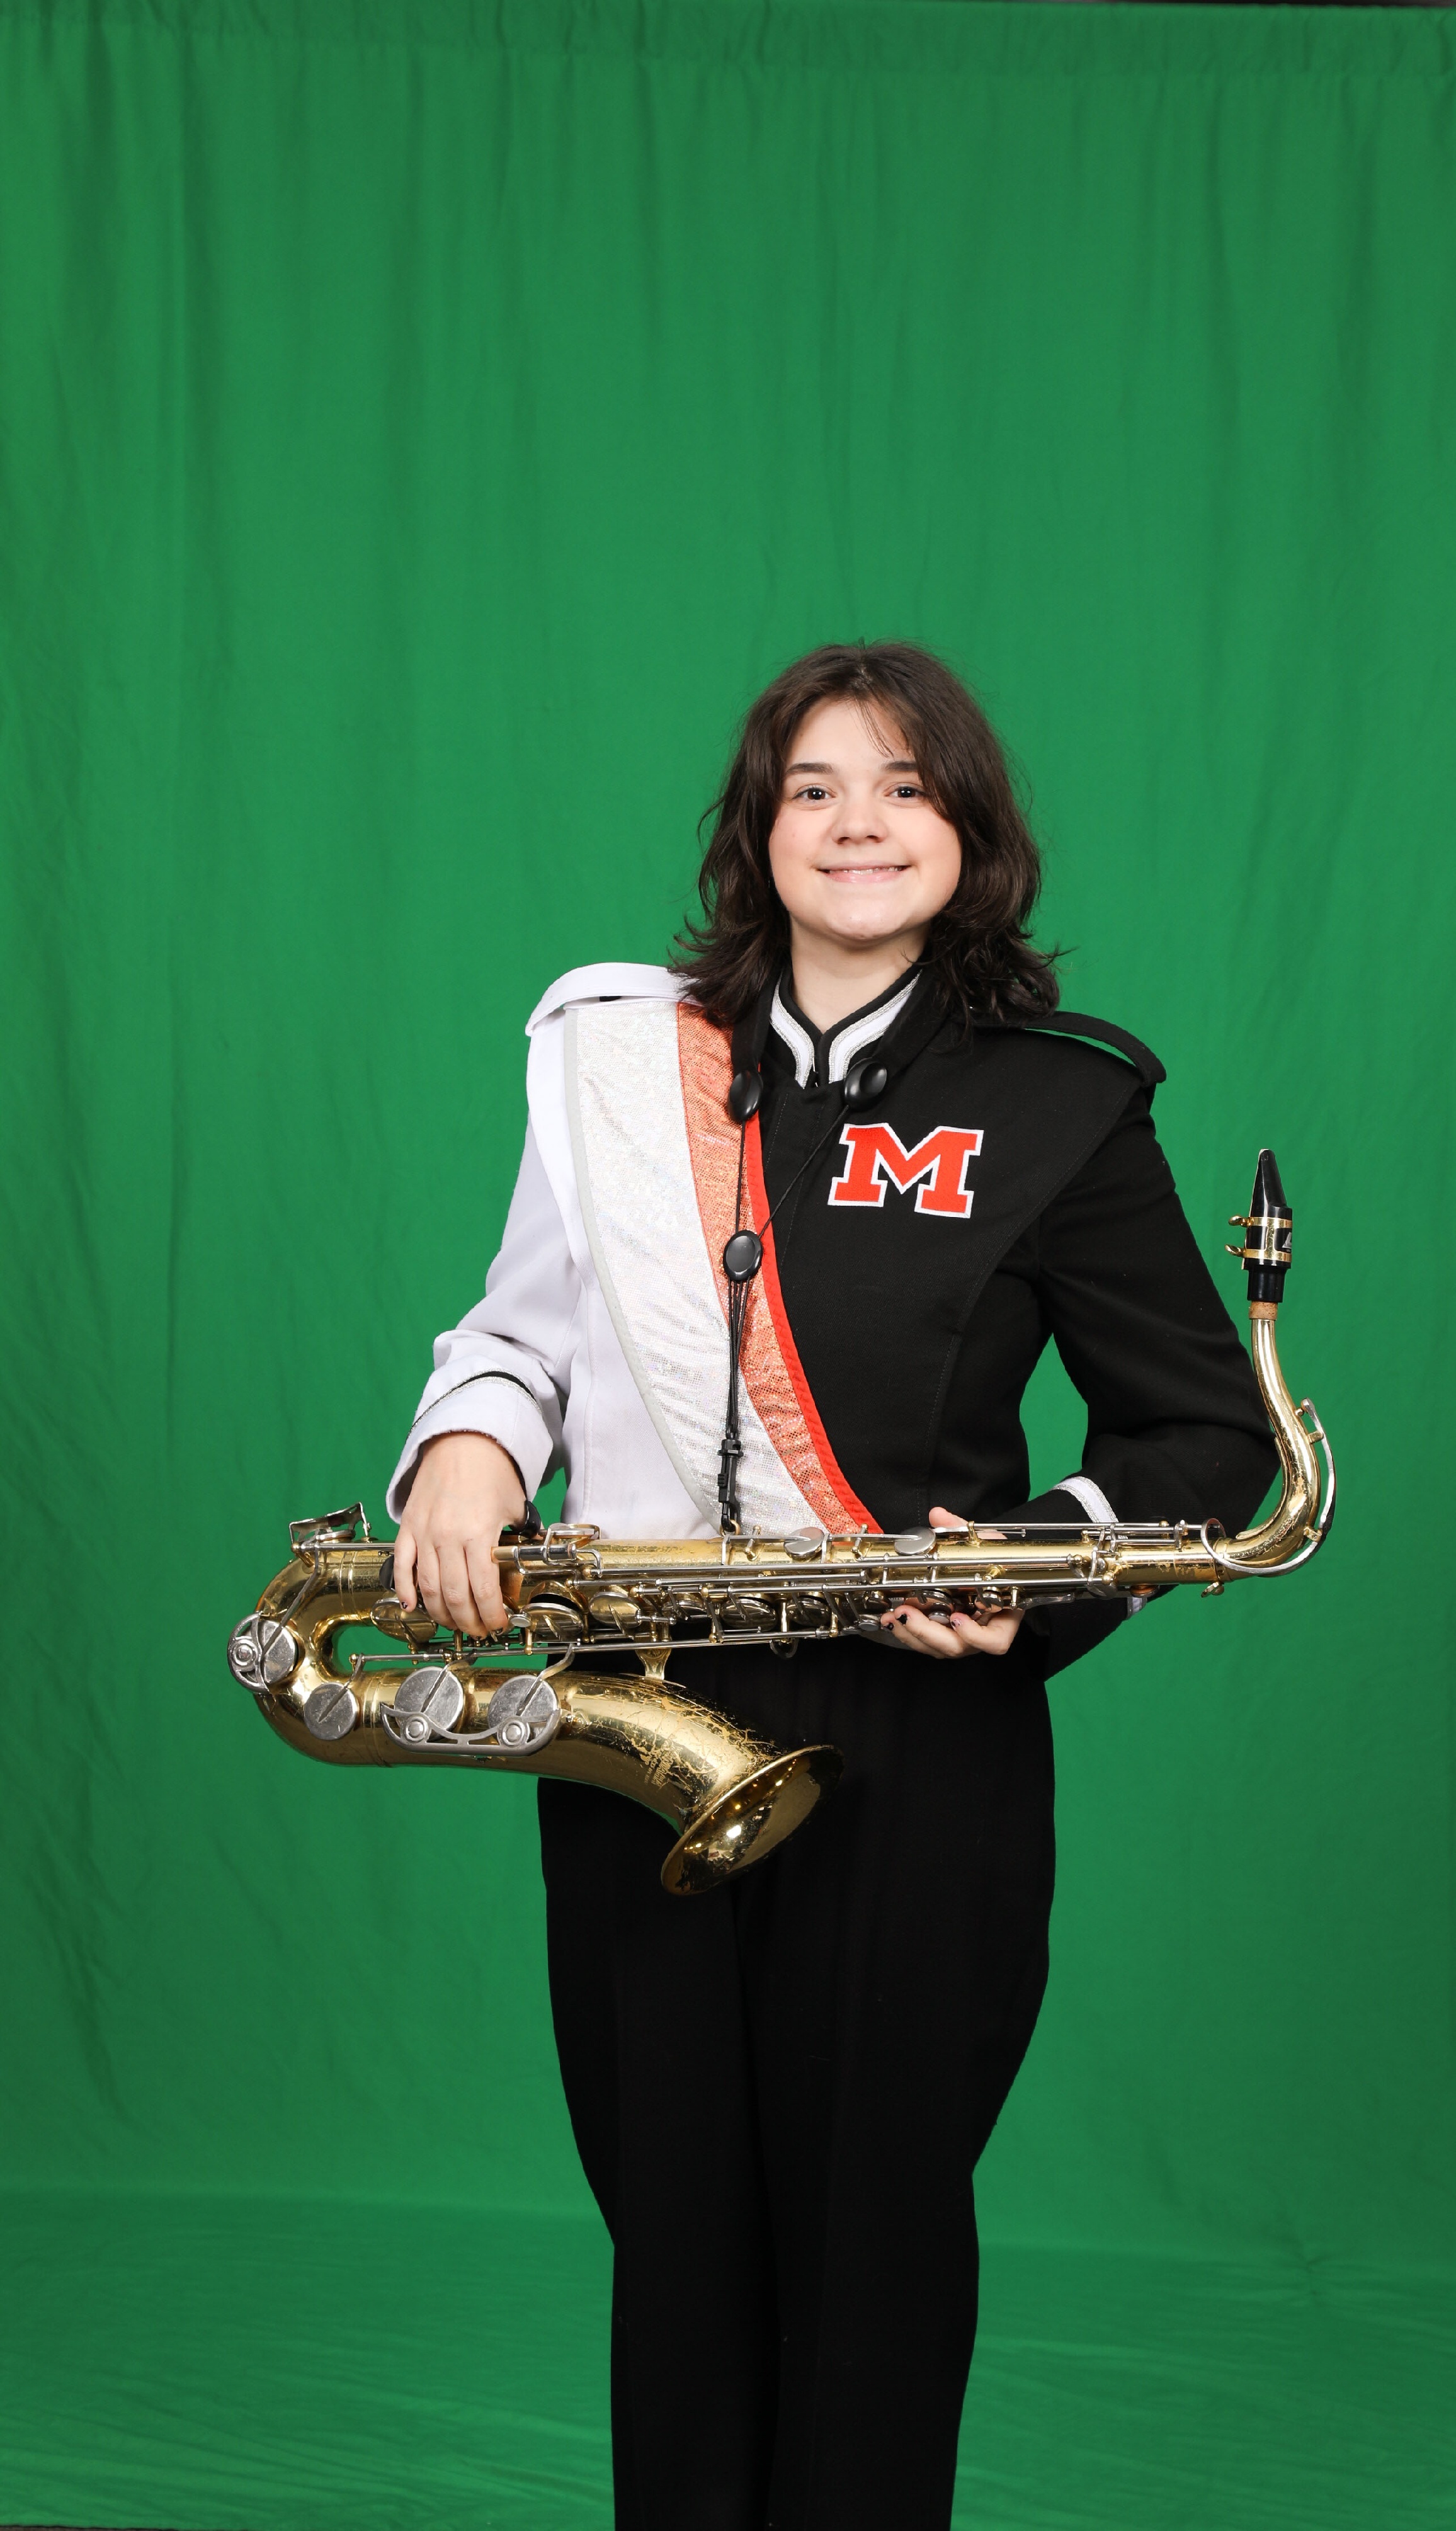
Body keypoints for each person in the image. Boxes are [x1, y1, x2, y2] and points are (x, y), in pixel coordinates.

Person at [387, 642, 1275, 2530]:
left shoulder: (1062, 1102)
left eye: (904, 787)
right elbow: (521, 1331)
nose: (858, 823)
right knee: (673, 2223)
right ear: (759, 828)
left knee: (875, 2241)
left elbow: (1207, 1434)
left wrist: (1031, 1567)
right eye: (814, 788)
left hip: (919, 1733)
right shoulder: (626, 1067)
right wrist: (469, 1442)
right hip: (635, 1712)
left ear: (970, 832)